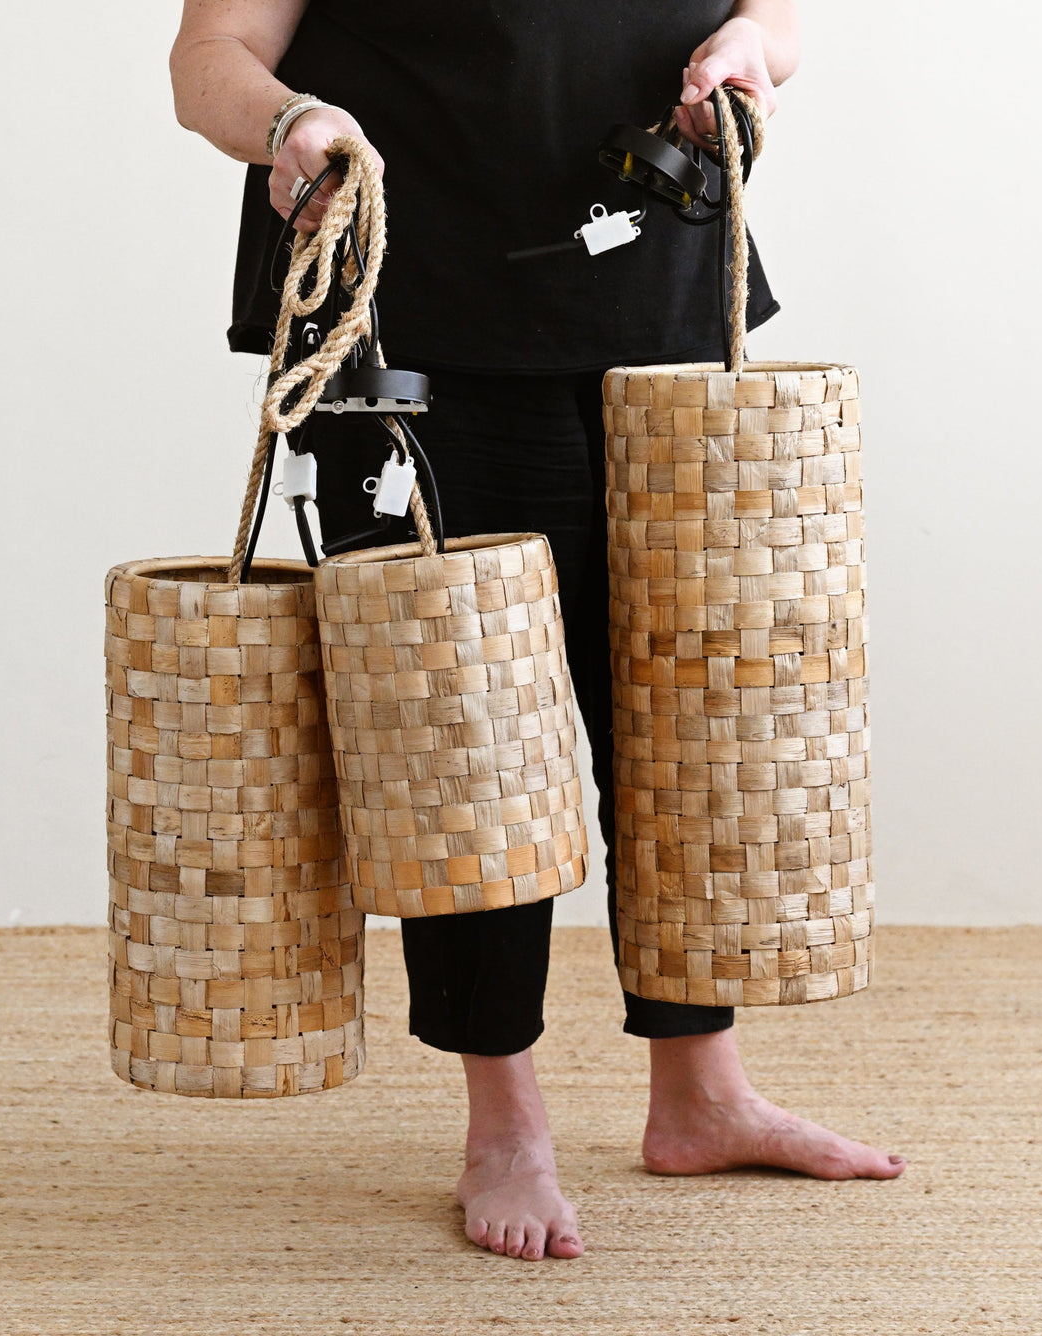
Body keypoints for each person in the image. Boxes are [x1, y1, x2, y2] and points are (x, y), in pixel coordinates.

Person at [170, 0, 906, 1264]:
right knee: (467, 737)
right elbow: (206, 63)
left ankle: (701, 1089)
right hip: (408, 316)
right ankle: (501, 1117)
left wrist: (747, 59)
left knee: (685, 712)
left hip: (657, 280)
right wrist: (290, 124)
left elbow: (770, 20)